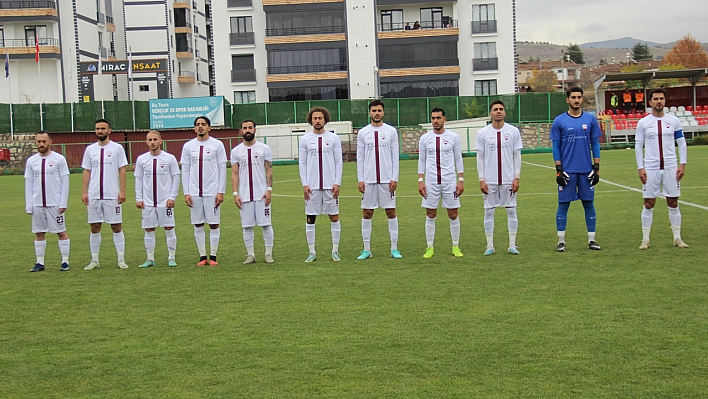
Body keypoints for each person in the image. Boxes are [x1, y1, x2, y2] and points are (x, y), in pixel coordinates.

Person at [635, 88, 689, 249]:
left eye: (661, 99)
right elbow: (638, 145)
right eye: (656, 99)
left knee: (673, 202)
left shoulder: (674, 121)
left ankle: (677, 238)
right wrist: (641, 167)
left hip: (671, 167)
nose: (659, 101)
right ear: (650, 102)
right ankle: (645, 240)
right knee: (649, 203)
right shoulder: (643, 123)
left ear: (665, 101)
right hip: (651, 168)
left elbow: (681, 142)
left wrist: (682, 164)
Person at [551, 87, 602, 252]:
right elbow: (556, 146)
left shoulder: (590, 119)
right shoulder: (559, 121)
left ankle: (592, 240)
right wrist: (558, 169)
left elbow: (595, 144)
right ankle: (561, 241)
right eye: (573, 97)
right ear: (567, 99)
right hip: (567, 171)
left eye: (579, 97)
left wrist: (597, 168)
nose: (576, 100)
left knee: (589, 203)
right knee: (563, 205)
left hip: (586, 170)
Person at [475, 100, 523, 256]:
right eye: (495, 109)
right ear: (490, 113)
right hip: (490, 180)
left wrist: (517, 177)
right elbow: (480, 157)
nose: (498, 111)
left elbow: (517, 155)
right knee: (489, 212)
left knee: (511, 210)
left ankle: (512, 245)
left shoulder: (513, 131)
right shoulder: (483, 133)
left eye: (501, 109)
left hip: (508, 179)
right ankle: (490, 245)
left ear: (505, 112)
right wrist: (481, 179)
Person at [356, 99, 401, 260]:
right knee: (367, 212)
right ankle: (366, 249)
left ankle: (394, 248)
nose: (376, 113)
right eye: (374, 110)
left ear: (383, 112)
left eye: (379, 110)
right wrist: (360, 179)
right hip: (368, 179)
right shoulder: (363, 132)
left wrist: (394, 178)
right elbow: (360, 158)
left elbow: (395, 157)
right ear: (369, 113)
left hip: (386, 180)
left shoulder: (391, 131)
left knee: (391, 211)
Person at [82, 119, 129, 270]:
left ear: (109, 131)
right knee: (94, 226)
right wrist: (84, 191)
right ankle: (94, 260)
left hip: (112, 195)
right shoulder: (90, 149)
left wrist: (122, 190)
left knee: (116, 226)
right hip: (94, 195)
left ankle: (121, 259)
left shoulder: (117, 148)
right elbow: (87, 170)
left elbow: (122, 169)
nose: (100, 131)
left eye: (103, 128)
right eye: (97, 128)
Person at [418, 107, 464, 258]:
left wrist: (461, 180)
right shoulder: (425, 139)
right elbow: (422, 160)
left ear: (444, 119)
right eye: (433, 118)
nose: (435, 121)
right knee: (430, 214)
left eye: (438, 118)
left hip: (449, 181)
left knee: (453, 214)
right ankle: (429, 247)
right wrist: (420, 180)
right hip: (431, 181)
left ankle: (455, 246)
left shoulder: (453, 137)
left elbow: (458, 159)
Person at [181, 116, 227, 266]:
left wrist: (221, 191)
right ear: (194, 128)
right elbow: (185, 170)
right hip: (195, 192)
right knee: (198, 224)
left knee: (214, 224)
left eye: (203, 124)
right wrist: (186, 192)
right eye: (198, 125)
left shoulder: (217, 145)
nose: (200, 127)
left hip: (212, 191)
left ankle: (213, 256)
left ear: (209, 127)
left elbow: (222, 169)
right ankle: (202, 256)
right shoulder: (188, 146)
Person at [299, 107, 343, 262]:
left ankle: (335, 251)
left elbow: (338, 162)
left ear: (325, 119)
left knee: (334, 216)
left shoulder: (333, 138)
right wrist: (305, 184)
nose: (317, 121)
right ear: (311, 120)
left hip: (330, 186)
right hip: (312, 187)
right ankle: (312, 252)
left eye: (320, 118)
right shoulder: (305, 139)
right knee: (310, 218)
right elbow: (302, 163)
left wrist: (337, 182)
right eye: (315, 118)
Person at [25, 132, 71, 272]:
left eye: (44, 141)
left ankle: (65, 261)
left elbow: (65, 181)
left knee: (61, 232)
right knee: (39, 233)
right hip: (38, 203)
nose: (41, 144)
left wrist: (63, 202)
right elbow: (29, 183)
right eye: (39, 141)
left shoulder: (59, 159)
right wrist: (29, 204)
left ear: (50, 141)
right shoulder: (31, 161)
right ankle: (40, 262)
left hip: (55, 203)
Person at [231, 119, 275, 264]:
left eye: (250, 127)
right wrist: (235, 193)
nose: (248, 130)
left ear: (255, 130)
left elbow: (269, 170)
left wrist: (269, 189)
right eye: (245, 128)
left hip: (262, 194)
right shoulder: (236, 151)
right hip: (244, 195)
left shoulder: (264, 148)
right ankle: (251, 255)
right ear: (241, 131)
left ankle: (268, 253)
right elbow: (235, 173)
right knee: (247, 226)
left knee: (266, 224)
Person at [134, 130, 181, 268]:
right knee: (149, 229)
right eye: (150, 140)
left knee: (169, 228)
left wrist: (172, 197)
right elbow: (138, 179)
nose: (153, 142)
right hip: (148, 202)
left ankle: (171, 257)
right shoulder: (142, 159)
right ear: (146, 142)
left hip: (165, 201)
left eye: (155, 139)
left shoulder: (169, 158)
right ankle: (150, 258)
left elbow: (176, 177)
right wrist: (139, 198)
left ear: (160, 141)